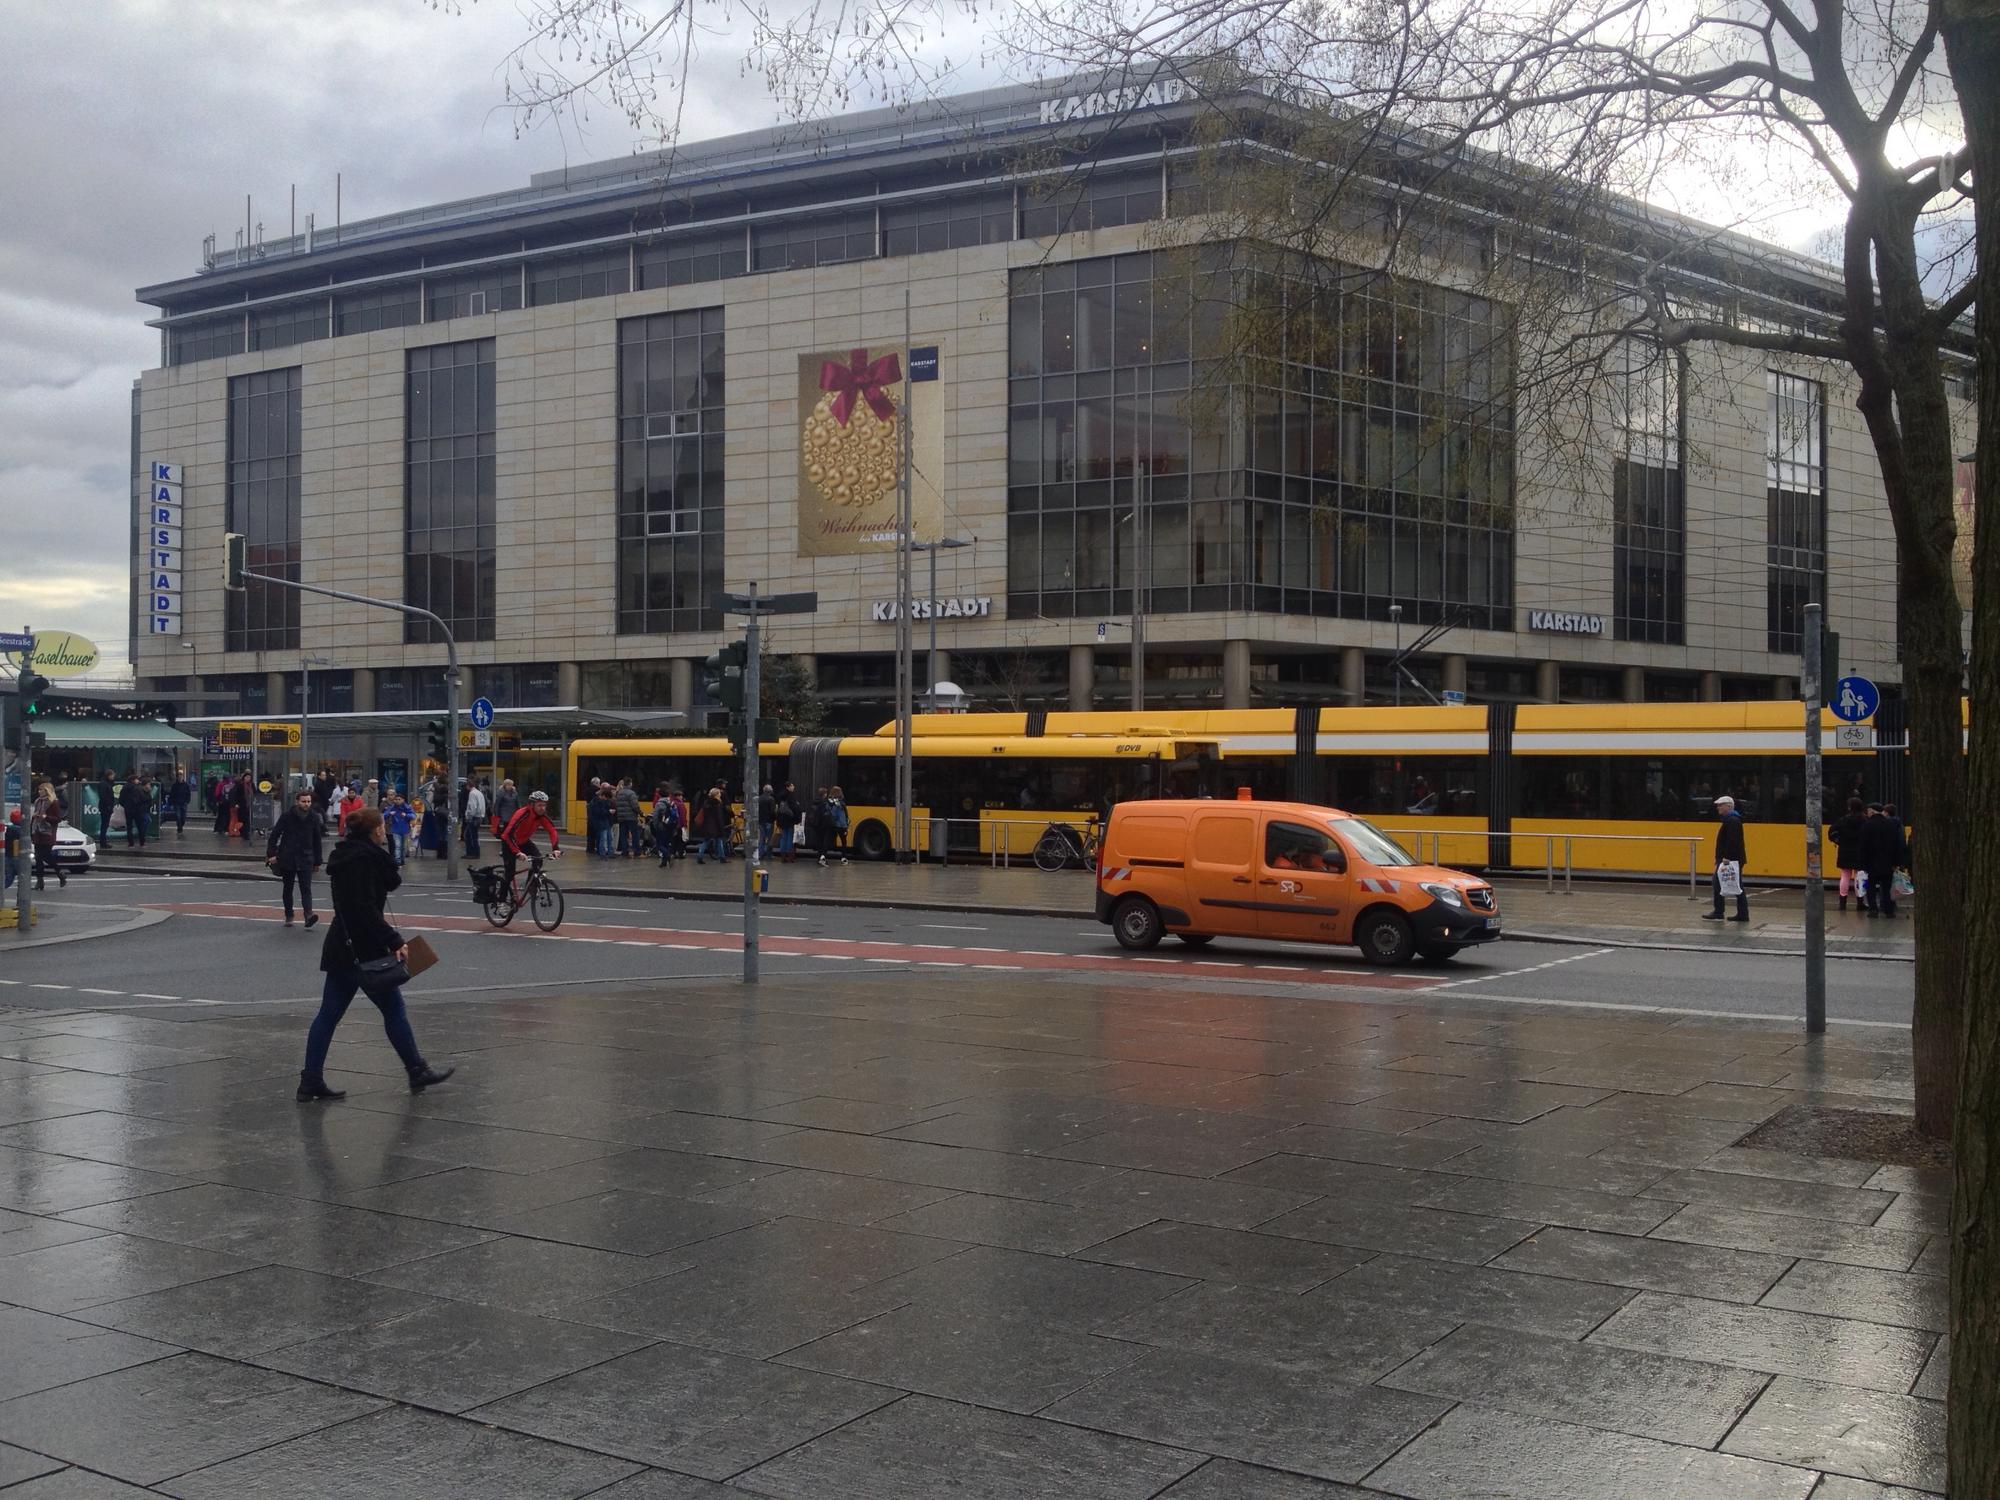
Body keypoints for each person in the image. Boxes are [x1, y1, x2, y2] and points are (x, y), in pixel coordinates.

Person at [297, 806, 453, 1102]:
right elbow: (364, 910)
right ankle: (416, 1069)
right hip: (364, 949)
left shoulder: (351, 857)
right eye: (382, 826)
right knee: (393, 1010)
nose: (385, 830)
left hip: (342, 946)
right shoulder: (364, 861)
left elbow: (384, 887)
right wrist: (394, 940)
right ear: (375, 830)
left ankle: (310, 1080)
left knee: (328, 1015)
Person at [266, 787, 324, 928]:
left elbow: (317, 840)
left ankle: (308, 915)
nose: (307, 804)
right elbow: (275, 834)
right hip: (288, 856)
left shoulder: (314, 817)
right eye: (304, 801)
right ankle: (289, 914)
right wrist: (272, 853)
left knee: (306, 888)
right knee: (288, 888)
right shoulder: (287, 816)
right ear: (297, 801)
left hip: (306, 857)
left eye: (309, 801)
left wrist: (318, 860)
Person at [498, 789, 562, 890]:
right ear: (532, 805)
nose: (543, 808)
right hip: (509, 842)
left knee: (538, 860)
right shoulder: (522, 814)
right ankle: (501, 900)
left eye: (544, 805)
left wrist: (555, 848)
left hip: (523, 841)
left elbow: (552, 831)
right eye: (539, 805)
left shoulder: (541, 816)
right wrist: (518, 852)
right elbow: (509, 834)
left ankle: (529, 886)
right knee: (510, 873)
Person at [1702, 793, 1749, 922]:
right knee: (1732, 885)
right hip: (1732, 859)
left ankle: (1721, 912)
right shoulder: (1731, 820)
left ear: (1728, 806)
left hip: (1730, 860)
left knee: (1724, 884)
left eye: (1720, 806)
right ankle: (1738, 913)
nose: (1718, 808)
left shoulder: (1732, 821)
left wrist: (1726, 857)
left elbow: (1732, 841)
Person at [1858, 802, 1906, 918]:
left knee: (1871, 887)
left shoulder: (1867, 825)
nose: (1867, 813)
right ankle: (1889, 910)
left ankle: (1873, 909)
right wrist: (1896, 862)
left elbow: (1863, 846)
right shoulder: (1890, 825)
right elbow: (1897, 845)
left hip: (1871, 862)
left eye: (1868, 811)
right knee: (1887, 887)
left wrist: (1862, 863)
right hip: (1888, 862)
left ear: (1873, 811)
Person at [1829, 796, 1868, 913]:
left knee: (1845, 875)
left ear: (1850, 807)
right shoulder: (1864, 820)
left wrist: (1838, 841)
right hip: (1860, 851)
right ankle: (1860, 902)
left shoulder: (1843, 820)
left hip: (1845, 850)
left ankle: (1842, 901)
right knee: (1859, 876)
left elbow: (1832, 832)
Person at [29, 782, 66, 890]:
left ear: (48, 791)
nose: (40, 792)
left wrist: (45, 817)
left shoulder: (53, 802)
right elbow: (35, 817)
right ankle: (40, 881)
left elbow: (57, 819)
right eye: (39, 790)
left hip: (47, 833)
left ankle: (59, 872)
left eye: (42, 790)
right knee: (38, 858)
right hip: (37, 832)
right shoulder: (37, 802)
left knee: (45, 855)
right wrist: (33, 823)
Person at [694, 787, 729, 865]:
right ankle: (722, 858)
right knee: (718, 841)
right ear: (716, 795)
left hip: (707, 826)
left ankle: (700, 857)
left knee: (706, 842)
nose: (720, 794)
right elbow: (719, 817)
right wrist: (721, 828)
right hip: (716, 826)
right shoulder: (718, 803)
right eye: (719, 793)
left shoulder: (706, 802)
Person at [119, 774, 152, 849]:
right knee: (140, 826)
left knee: (129, 827)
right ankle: (142, 843)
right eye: (137, 779)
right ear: (133, 780)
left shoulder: (124, 787)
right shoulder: (137, 789)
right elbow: (139, 800)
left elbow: (121, 799)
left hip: (128, 810)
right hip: (137, 810)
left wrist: (125, 805)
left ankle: (131, 844)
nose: (138, 781)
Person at [384, 790, 415, 866]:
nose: (397, 801)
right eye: (396, 799)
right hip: (395, 829)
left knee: (403, 847)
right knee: (397, 846)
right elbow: (384, 815)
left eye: (399, 799)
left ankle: (402, 860)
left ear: (403, 800)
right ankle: (398, 861)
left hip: (405, 830)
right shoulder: (392, 807)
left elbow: (413, 816)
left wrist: (406, 815)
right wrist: (389, 813)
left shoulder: (407, 807)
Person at [614, 777, 641, 857]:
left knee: (623, 835)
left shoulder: (619, 793)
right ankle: (637, 852)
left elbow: (617, 805)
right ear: (630, 783)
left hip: (621, 817)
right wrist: (640, 812)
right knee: (635, 834)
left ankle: (625, 852)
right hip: (631, 818)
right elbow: (635, 806)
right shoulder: (631, 793)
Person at [776, 782, 801, 863]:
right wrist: (798, 819)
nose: (793, 787)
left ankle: (783, 856)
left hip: (782, 820)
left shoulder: (780, 796)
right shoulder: (791, 796)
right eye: (792, 785)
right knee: (790, 838)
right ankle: (790, 856)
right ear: (788, 787)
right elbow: (795, 809)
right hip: (790, 820)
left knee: (783, 837)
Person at [586, 784, 614, 858]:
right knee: (604, 838)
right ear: (603, 795)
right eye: (606, 797)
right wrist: (609, 812)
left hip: (605, 822)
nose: (606, 799)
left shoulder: (599, 801)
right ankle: (603, 852)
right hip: (601, 822)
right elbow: (599, 812)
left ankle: (608, 852)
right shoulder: (597, 802)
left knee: (608, 838)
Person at [826, 785, 850, 862]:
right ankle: (843, 858)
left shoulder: (830, 802)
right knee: (843, 842)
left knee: (828, 840)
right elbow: (845, 815)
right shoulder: (841, 803)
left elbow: (833, 814)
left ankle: (823, 856)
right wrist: (846, 825)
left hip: (834, 825)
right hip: (842, 826)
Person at [463, 779, 486, 859]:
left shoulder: (472, 794)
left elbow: (472, 806)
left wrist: (469, 816)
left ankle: (472, 853)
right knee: (474, 835)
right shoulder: (479, 793)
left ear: (468, 786)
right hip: (479, 816)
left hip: (474, 817)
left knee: (469, 835)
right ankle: (475, 853)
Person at [94, 768, 117, 843]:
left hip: (106, 806)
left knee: (105, 824)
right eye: (112, 775)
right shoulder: (104, 784)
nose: (113, 777)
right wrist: (108, 805)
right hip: (105, 807)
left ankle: (103, 840)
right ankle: (103, 841)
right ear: (109, 775)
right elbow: (103, 796)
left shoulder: (106, 783)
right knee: (104, 824)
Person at [756, 783, 777, 864]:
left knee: (762, 838)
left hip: (761, 821)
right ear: (770, 791)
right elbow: (772, 811)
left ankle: (760, 854)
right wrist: (775, 818)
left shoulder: (759, 798)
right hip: (769, 821)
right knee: (769, 838)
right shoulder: (771, 799)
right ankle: (769, 854)